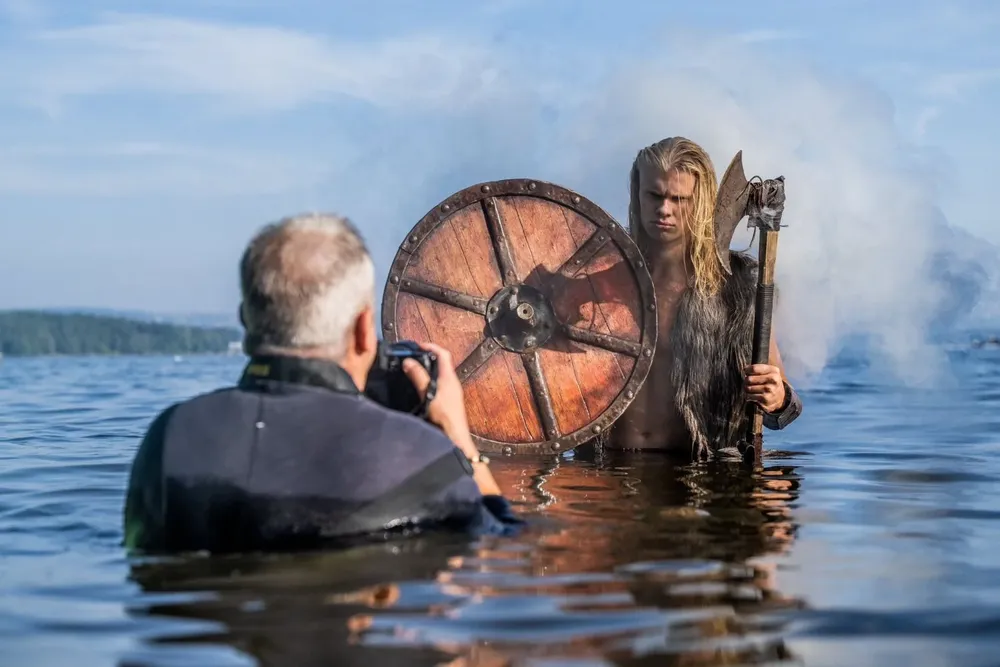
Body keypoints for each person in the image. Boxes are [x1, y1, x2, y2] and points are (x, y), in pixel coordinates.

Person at [123, 213, 519, 554]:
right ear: (365, 329)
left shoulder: (168, 440)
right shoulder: (420, 455)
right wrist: (459, 439)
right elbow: (501, 544)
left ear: (246, 321)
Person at [608, 136, 803, 459]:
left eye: (679, 199)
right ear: (637, 195)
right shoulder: (601, 281)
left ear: (700, 201)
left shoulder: (737, 289)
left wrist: (777, 396)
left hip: (700, 473)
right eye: (654, 196)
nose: (664, 210)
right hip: (606, 470)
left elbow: (784, 407)